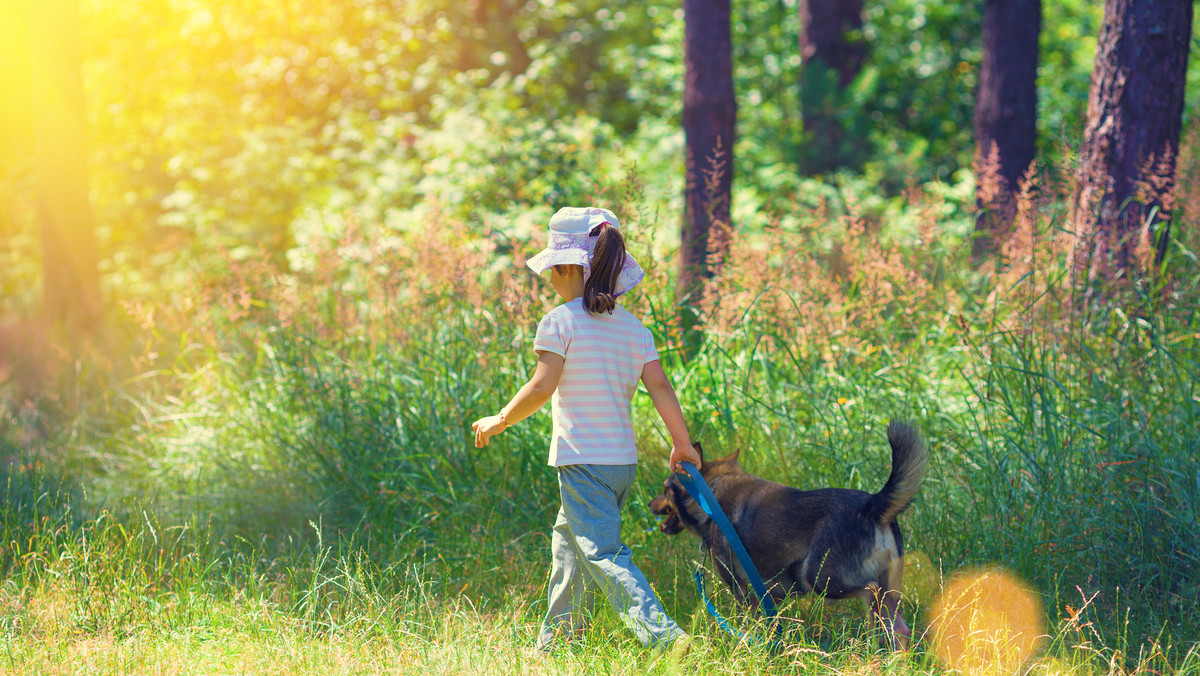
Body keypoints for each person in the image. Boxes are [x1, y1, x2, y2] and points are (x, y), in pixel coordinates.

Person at [471, 206, 701, 652]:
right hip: (620, 464)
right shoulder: (633, 328)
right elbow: (660, 387)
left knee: (601, 552)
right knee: (570, 548)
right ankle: (554, 645)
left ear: (565, 267)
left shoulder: (559, 322)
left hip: (582, 461)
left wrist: (501, 418)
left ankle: (665, 637)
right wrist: (681, 442)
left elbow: (542, 386)